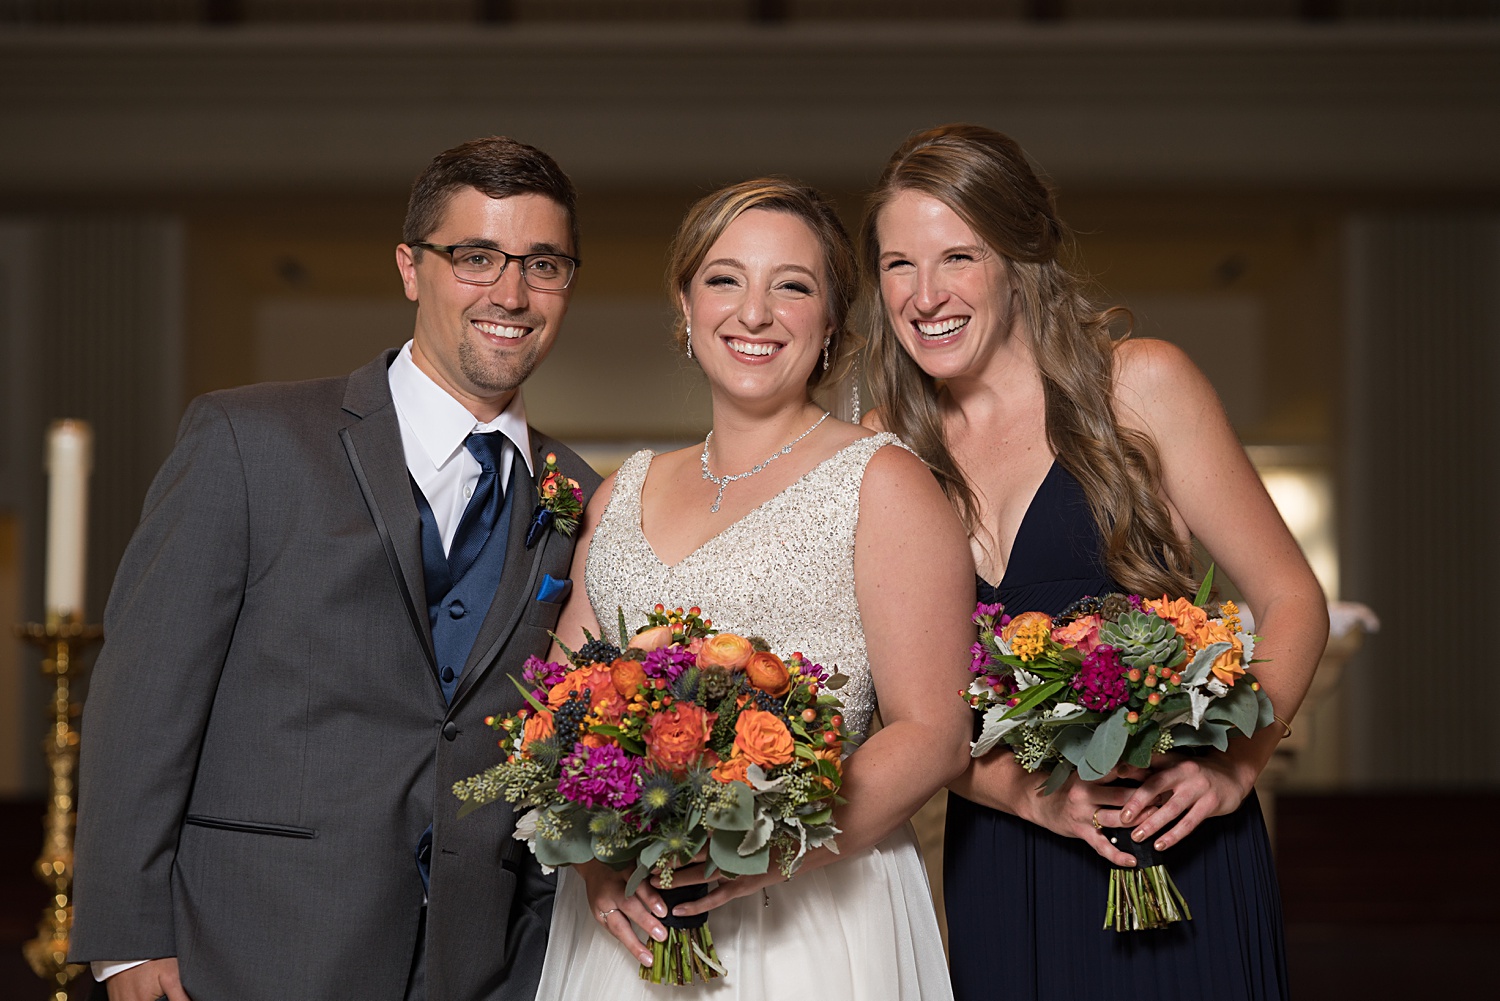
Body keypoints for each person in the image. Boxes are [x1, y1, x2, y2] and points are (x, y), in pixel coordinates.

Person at [69, 136, 602, 1001]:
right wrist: (126, 939)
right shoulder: (250, 441)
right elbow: (144, 695)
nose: (511, 292)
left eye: (543, 264)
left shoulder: (579, 495)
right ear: (409, 267)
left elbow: (552, 751)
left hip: (476, 964)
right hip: (249, 947)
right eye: (475, 257)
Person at [861, 124, 1329, 1001]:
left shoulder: (1139, 388)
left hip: (1171, 840)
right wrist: (1028, 797)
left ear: (1019, 257)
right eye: (897, 265)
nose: (925, 295)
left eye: (958, 256)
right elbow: (913, 710)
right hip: (1004, 857)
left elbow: (1292, 595)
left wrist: (1239, 760)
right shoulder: (888, 450)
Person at [532, 178, 974, 999]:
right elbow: (561, 707)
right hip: (634, 914)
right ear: (686, 304)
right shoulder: (621, 490)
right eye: (725, 279)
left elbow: (935, 732)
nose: (755, 313)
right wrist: (594, 854)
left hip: (815, 917)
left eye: (792, 286)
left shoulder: (885, 483)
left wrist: (771, 849)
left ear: (834, 320)